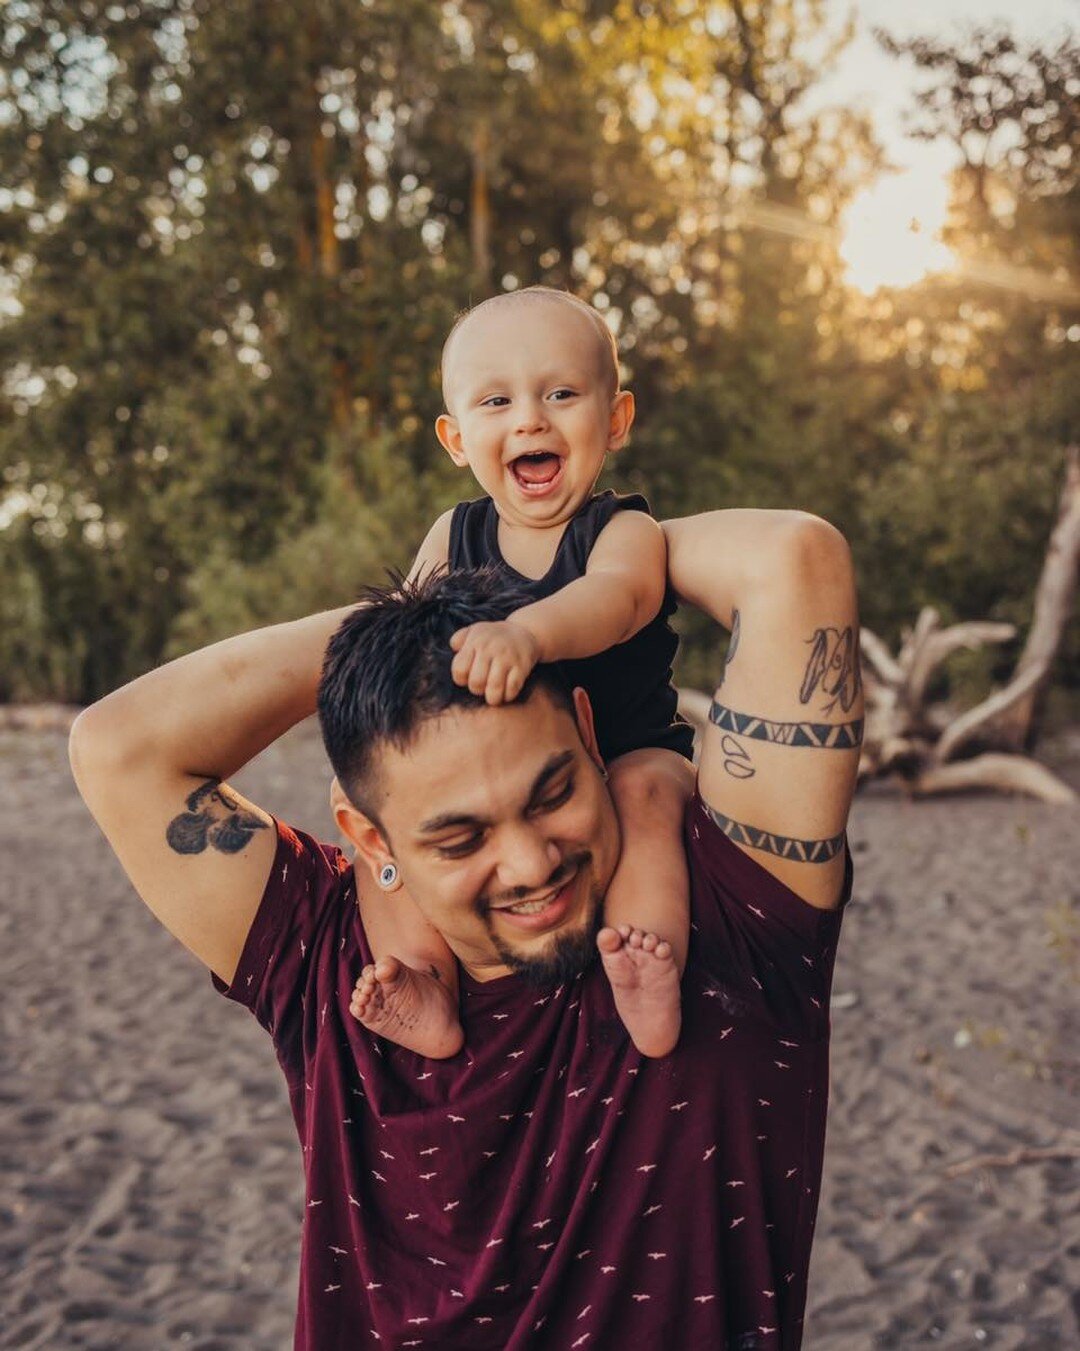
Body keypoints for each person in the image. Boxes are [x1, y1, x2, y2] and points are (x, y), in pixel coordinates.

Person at [69, 508, 862, 1350]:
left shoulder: (732, 919)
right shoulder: (335, 958)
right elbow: (119, 747)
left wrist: (562, 580)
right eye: (460, 837)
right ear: (370, 836)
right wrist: (411, 624)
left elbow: (794, 561)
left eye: (553, 795)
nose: (527, 864)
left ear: (591, 735)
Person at [353, 286, 695, 1062]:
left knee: (648, 800)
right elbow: (407, 640)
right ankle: (421, 976)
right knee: (377, 829)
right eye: (497, 401)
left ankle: (644, 964)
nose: (530, 419)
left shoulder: (622, 529)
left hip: (630, 745)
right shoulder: (456, 530)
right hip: (496, 775)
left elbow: (618, 599)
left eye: (562, 393)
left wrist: (528, 633)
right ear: (456, 438)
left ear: (615, 420)